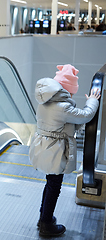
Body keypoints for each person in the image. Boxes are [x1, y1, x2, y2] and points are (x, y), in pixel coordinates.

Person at [29, 64, 100, 238]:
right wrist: (93, 100)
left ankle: (43, 217)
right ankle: (46, 224)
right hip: (55, 151)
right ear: (66, 88)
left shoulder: (45, 101)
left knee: (50, 183)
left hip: (45, 147)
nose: (73, 94)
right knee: (54, 186)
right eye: (72, 91)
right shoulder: (62, 107)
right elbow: (85, 115)